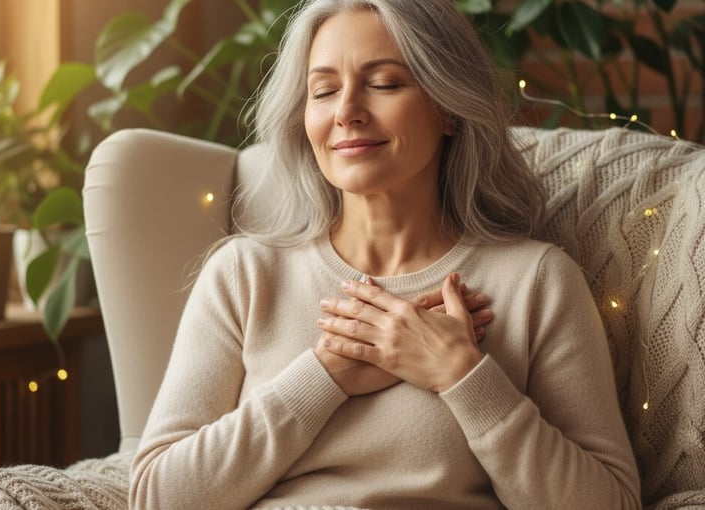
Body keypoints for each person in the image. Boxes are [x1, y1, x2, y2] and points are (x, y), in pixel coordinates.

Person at [129, 0, 642, 508]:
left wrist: (462, 375)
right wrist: (325, 377)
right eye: (324, 90)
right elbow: (156, 497)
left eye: (384, 84)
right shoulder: (243, 275)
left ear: (448, 108)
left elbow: (611, 503)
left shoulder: (536, 281)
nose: (347, 112)